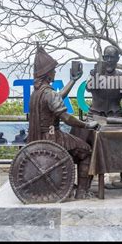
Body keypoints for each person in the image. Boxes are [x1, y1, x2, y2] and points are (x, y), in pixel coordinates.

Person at [28, 47, 98, 199]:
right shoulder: (49, 93)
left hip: (38, 137)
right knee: (86, 152)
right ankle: (81, 192)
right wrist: (86, 125)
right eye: (53, 70)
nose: (54, 73)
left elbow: (57, 97)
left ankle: (66, 182)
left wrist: (73, 80)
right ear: (48, 74)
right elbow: (66, 117)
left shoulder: (37, 93)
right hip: (52, 138)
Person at [86, 45, 122, 187]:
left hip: (114, 116)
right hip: (95, 115)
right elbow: (88, 88)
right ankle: (89, 175)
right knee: (88, 143)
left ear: (118, 59)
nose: (109, 60)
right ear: (103, 58)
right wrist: (94, 76)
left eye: (112, 57)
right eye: (106, 57)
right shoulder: (95, 74)